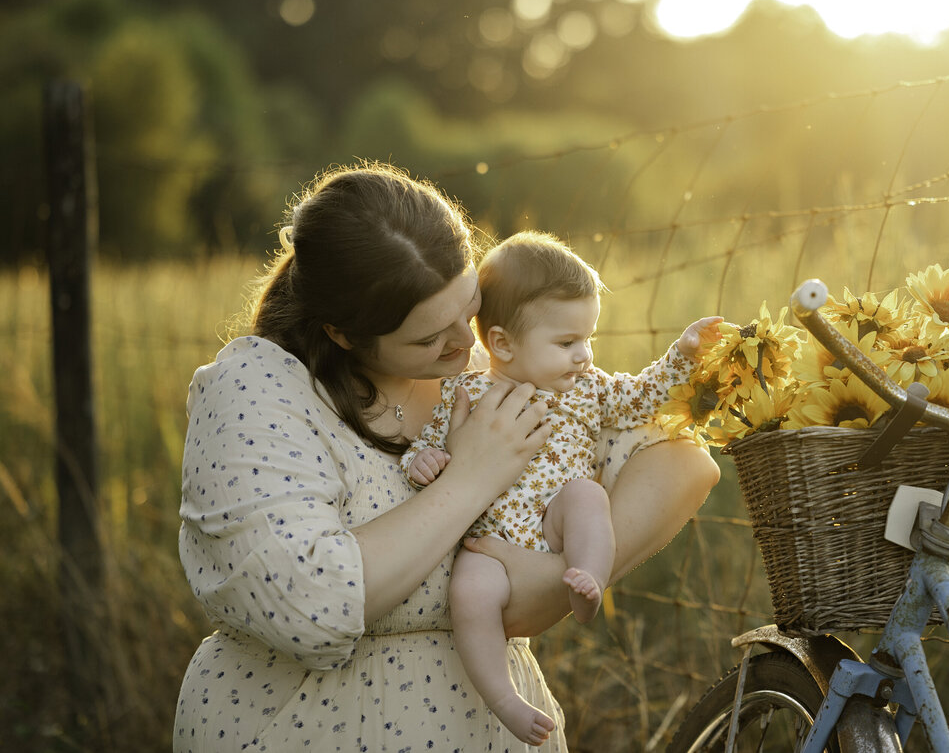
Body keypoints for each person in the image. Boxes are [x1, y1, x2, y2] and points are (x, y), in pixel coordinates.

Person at [172, 162, 721, 752]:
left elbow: (681, 462)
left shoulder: (497, 369)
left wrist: (556, 582)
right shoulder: (258, 390)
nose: (465, 342)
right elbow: (311, 607)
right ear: (344, 334)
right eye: (430, 338)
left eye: (471, 308)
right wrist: (473, 477)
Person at [402, 231, 720, 743]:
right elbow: (432, 439)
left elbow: (641, 398)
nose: (584, 356)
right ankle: (503, 697)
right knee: (470, 593)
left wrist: (682, 355)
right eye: (567, 343)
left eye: (588, 338)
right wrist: (426, 459)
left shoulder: (590, 389)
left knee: (588, 497)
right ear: (502, 343)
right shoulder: (470, 390)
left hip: (554, 516)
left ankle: (588, 577)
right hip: (488, 538)